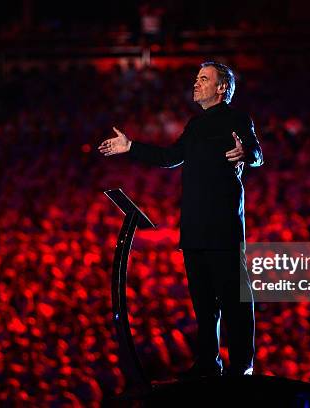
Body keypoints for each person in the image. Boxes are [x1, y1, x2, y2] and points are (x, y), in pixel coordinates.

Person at [99, 61, 263, 377]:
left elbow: (256, 151)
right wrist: (130, 146)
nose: (196, 83)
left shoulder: (237, 119)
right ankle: (208, 362)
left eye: (204, 78)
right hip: (194, 229)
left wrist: (247, 154)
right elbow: (170, 158)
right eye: (196, 78)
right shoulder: (195, 125)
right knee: (204, 305)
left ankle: (243, 365)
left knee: (234, 301)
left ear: (221, 88)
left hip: (223, 229)